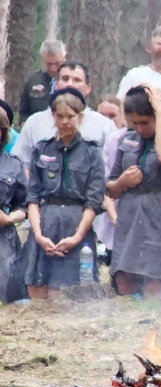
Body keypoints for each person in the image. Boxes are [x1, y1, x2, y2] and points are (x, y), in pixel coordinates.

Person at [106, 86, 161, 301]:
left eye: (145, 122)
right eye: (134, 122)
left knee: (156, 277)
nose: (139, 128)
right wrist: (122, 182)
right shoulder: (126, 140)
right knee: (124, 276)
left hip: (159, 214)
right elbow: (110, 189)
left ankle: (154, 321)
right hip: (129, 214)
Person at [24, 88, 105, 300]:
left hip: (76, 228)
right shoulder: (42, 149)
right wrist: (39, 235)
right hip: (44, 225)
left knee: (64, 297)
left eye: (70, 116)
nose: (65, 121)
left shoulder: (91, 152)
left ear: (80, 116)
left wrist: (77, 236)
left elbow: (94, 200)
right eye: (59, 116)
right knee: (37, 290)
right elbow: (32, 197)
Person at [12, 61, 118, 167]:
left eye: (77, 80)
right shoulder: (35, 122)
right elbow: (19, 162)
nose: (70, 84)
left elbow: (113, 167)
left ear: (88, 88)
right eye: (65, 79)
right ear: (56, 85)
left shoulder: (104, 125)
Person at [0, 101, 27, 303]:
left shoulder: (14, 165)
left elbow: (25, 206)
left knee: (6, 295)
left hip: (5, 241)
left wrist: (9, 218)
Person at [19, 40, 66, 125]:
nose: (53, 68)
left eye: (57, 63)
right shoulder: (32, 81)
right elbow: (24, 113)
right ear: (43, 59)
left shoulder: (72, 82)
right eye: (49, 64)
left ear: (64, 58)